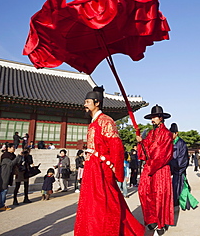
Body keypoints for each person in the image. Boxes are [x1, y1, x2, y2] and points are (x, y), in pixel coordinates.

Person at [74, 86, 144, 236]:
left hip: (101, 168)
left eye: (87, 102)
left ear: (97, 102)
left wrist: (116, 169)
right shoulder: (93, 122)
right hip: (91, 168)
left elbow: (116, 146)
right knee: (91, 202)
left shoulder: (106, 121)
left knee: (104, 203)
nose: (85, 105)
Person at [136, 104, 174, 236]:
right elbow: (145, 150)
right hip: (149, 168)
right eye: (151, 117)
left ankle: (161, 224)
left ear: (161, 118)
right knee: (144, 191)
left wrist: (150, 160)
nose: (152, 120)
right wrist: (141, 142)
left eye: (155, 117)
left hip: (160, 169)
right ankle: (151, 220)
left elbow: (162, 153)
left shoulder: (167, 134)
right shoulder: (150, 133)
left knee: (160, 195)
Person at [169, 123, 199, 210]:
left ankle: (186, 203)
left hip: (180, 169)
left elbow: (183, 158)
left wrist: (176, 165)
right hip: (173, 168)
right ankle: (177, 202)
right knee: (175, 186)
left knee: (181, 186)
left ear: (176, 133)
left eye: (172, 134)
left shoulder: (181, 143)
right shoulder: (170, 143)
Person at [0, 143, 22, 211]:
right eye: (13, 147)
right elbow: (11, 164)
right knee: (4, 190)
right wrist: (18, 157)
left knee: (2, 190)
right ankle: (1, 205)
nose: (14, 148)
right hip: (4, 175)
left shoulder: (12, 155)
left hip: (9, 174)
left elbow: (17, 162)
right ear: (8, 148)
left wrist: (20, 156)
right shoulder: (5, 156)